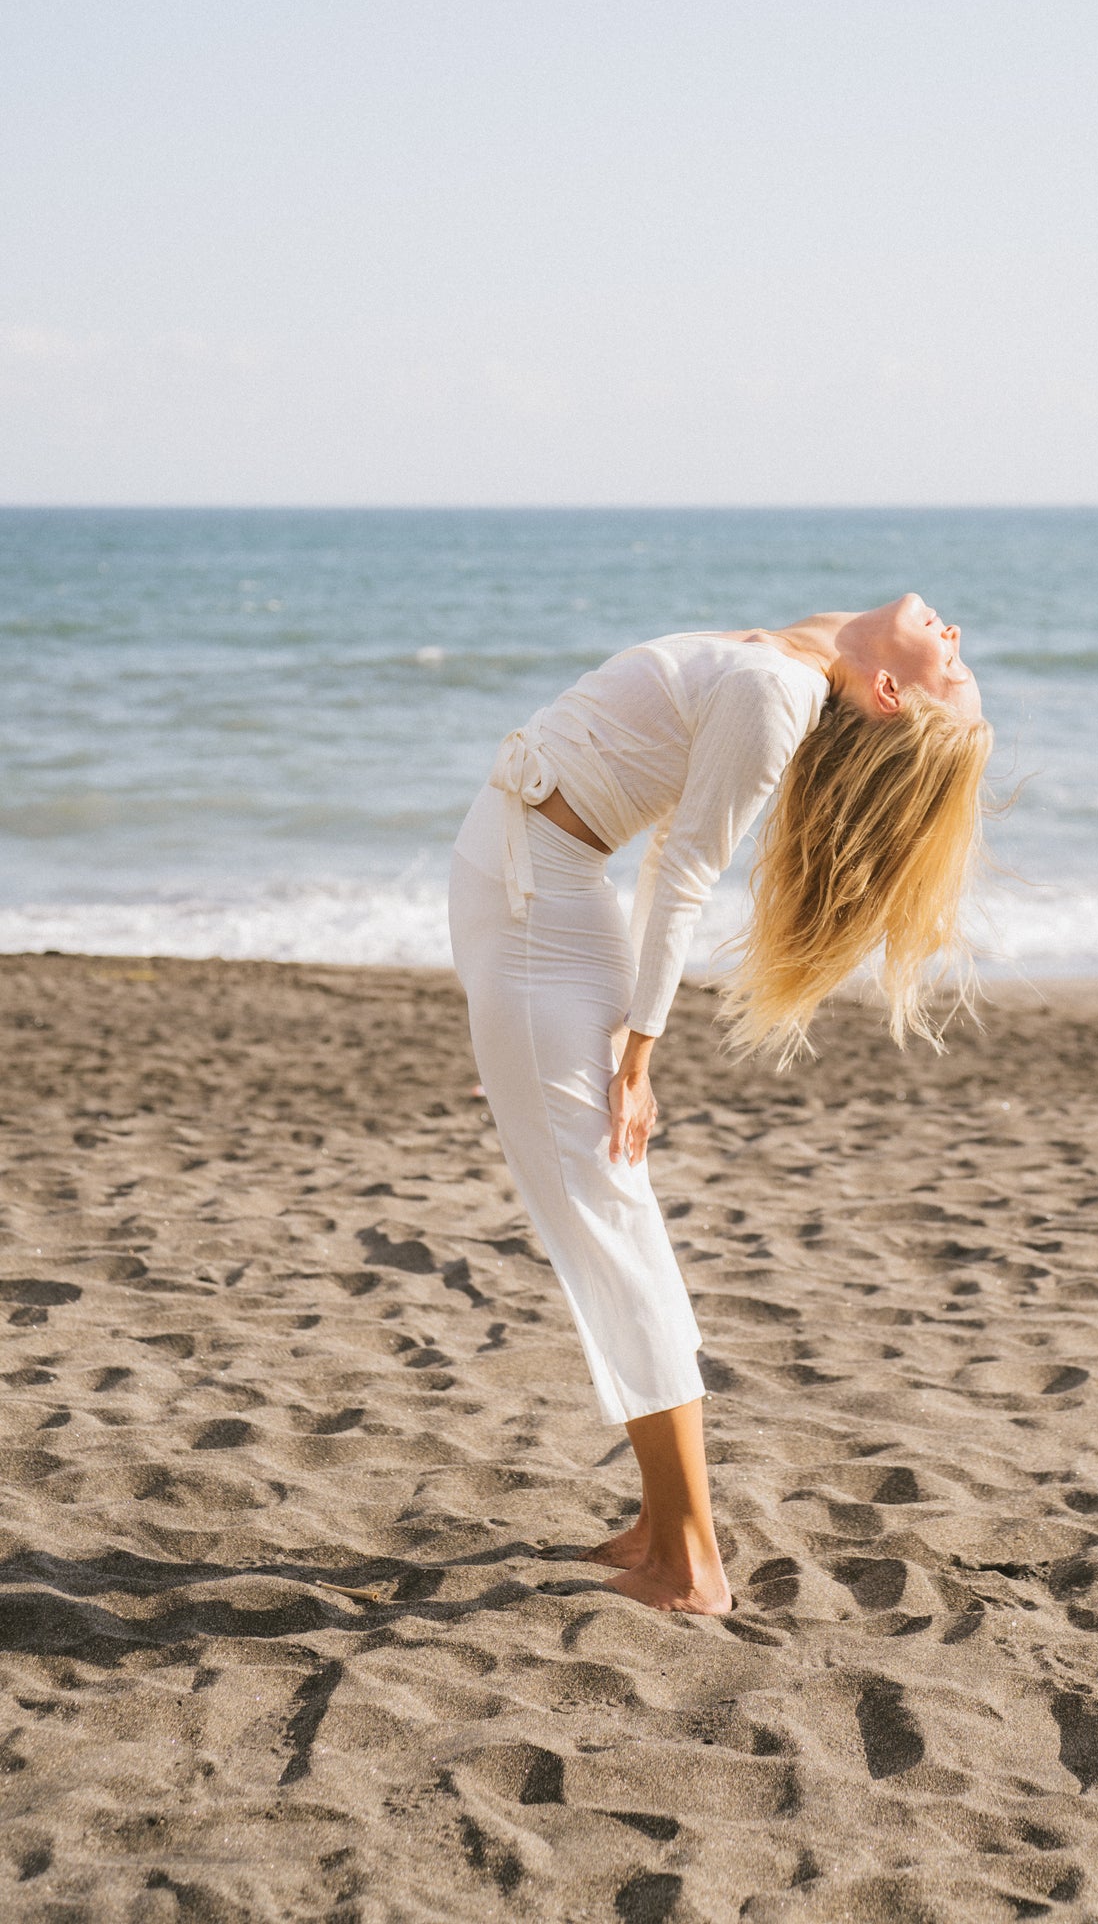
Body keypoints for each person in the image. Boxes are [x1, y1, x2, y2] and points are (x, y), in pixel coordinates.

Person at [448, 595, 991, 1613]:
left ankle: (688, 1560)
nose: (955, 637)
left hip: (541, 931)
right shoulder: (796, 658)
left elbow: (683, 870)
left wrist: (639, 1052)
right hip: (530, 907)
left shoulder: (775, 689)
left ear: (886, 689)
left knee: (610, 1230)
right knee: (604, 1224)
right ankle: (659, 1523)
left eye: (951, 666)